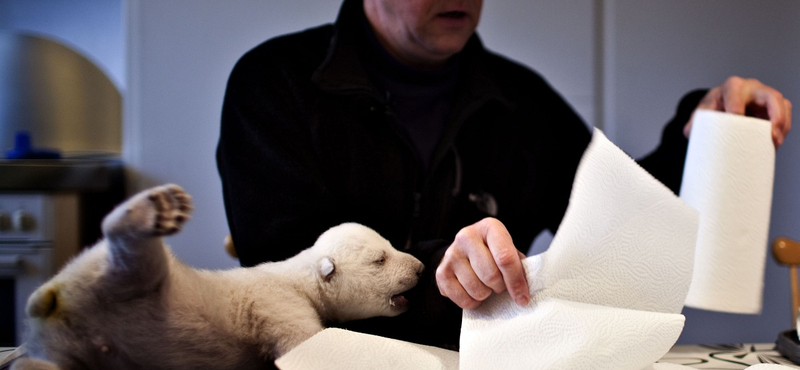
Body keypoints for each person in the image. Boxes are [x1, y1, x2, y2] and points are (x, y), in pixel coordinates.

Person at [216, 0, 792, 350]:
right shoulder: (274, 85)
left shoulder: (521, 101)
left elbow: (621, 220)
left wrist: (700, 134)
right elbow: (286, 274)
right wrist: (445, 268)